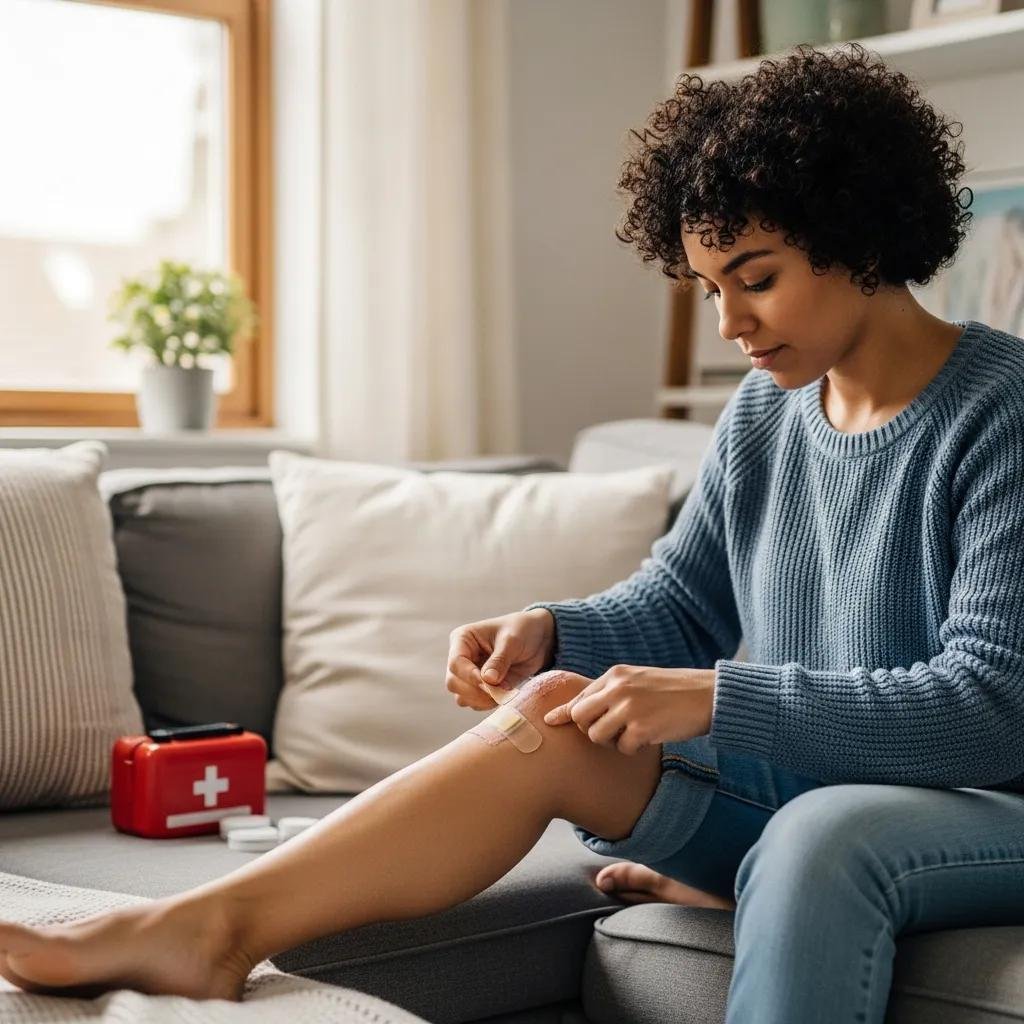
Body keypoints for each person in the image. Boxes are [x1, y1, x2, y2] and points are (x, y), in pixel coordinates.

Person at [3, 40, 1024, 1023]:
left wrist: (716, 698)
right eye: (710, 289)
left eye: (755, 279)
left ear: (863, 238)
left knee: (817, 836)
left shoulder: (1000, 409)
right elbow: (682, 604)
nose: (729, 324)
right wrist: (554, 631)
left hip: (981, 803)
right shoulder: (764, 413)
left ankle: (739, 873)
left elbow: (991, 707)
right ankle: (211, 930)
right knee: (551, 716)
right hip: (824, 786)